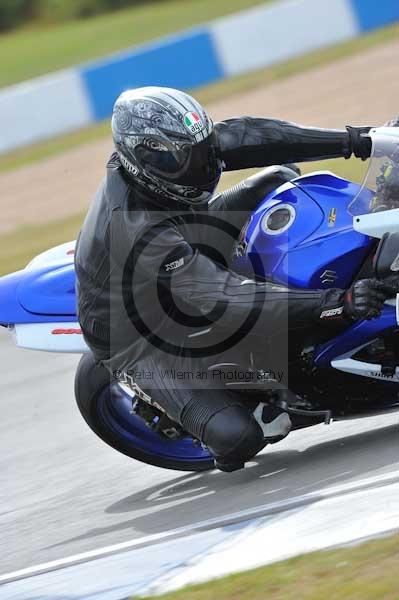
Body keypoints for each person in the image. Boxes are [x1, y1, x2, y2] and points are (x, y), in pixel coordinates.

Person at [75, 86, 396, 472]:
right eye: (185, 160)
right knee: (237, 437)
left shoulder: (183, 151)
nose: (200, 165)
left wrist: (362, 140)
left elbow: (258, 137)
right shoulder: (134, 229)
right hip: (139, 334)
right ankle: (245, 395)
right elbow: (223, 298)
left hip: (185, 236)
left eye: (202, 150)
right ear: (145, 160)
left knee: (279, 176)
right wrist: (337, 304)